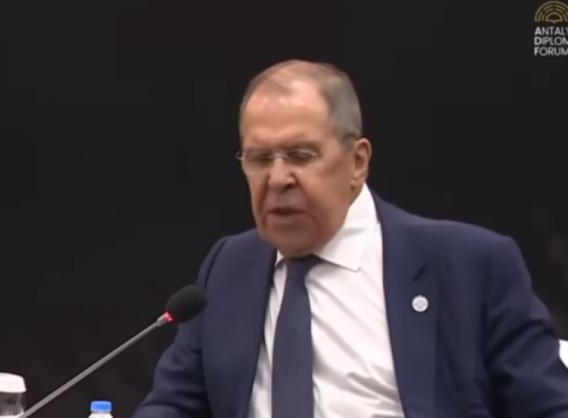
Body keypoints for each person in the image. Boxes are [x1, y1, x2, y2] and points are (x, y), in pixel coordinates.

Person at [133, 60, 568, 417]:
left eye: (301, 155)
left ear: (357, 162)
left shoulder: (469, 264)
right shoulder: (229, 266)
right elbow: (173, 405)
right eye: (260, 158)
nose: (278, 178)